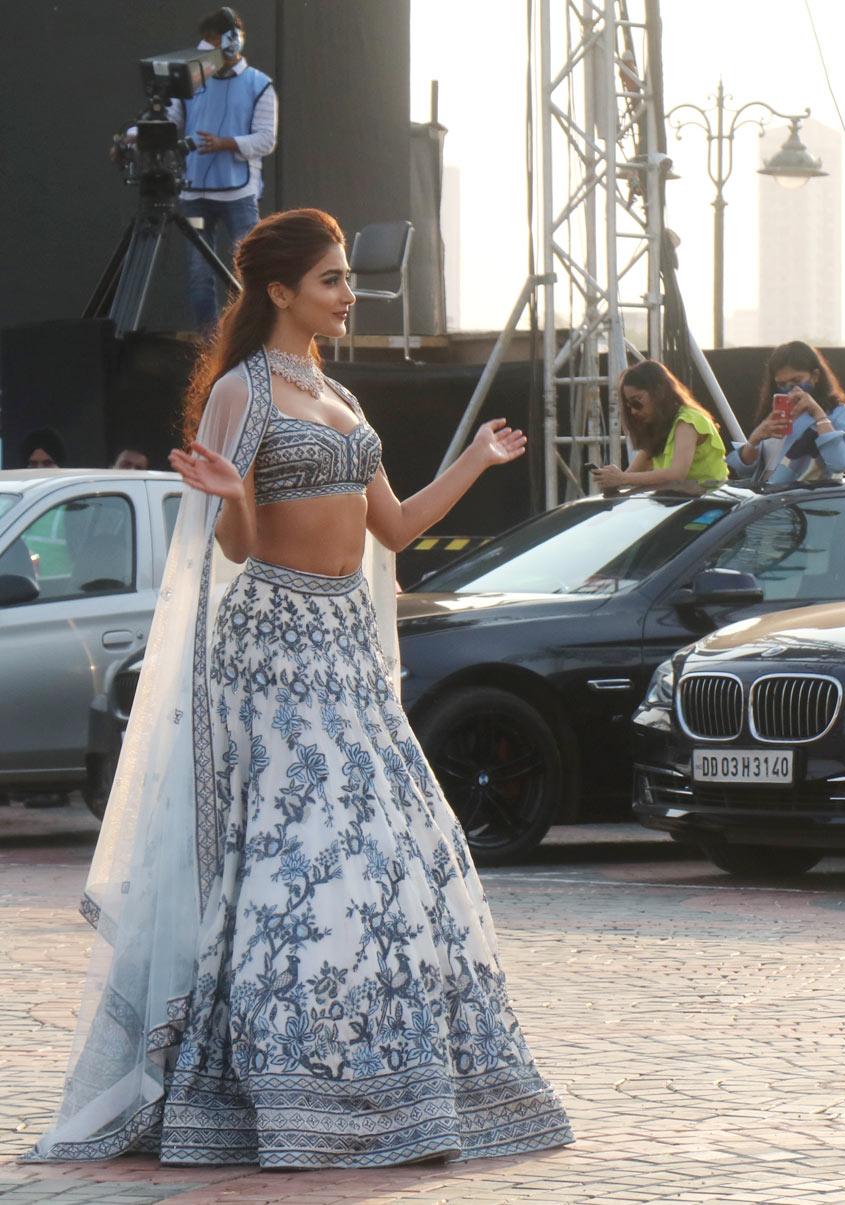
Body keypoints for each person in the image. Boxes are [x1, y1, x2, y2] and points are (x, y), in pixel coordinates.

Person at [32, 209, 573, 1167]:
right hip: (274, 648)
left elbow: (396, 530)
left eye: (344, 278)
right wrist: (228, 490)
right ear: (279, 292)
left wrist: (477, 463)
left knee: (400, 858)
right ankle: (283, 1089)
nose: (346, 293)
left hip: (348, 653)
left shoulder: (344, 400)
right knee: (298, 863)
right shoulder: (241, 391)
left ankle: (390, 1081)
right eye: (329, 279)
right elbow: (236, 543)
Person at [119, 8, 277, 330]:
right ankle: (209, 345)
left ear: (231, 44)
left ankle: (249, 337)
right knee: (199, 274)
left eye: (213, 44)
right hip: (195, 195)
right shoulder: (191, 83)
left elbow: (266, 140)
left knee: (247, 270)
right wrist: (134, 136)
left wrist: (226, 143)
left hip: (238, 197)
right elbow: (171, 122)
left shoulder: (260, 85)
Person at [726, 341, 845, 485]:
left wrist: (818, 415)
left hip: (806, 503)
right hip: (768, 501)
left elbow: (840, 463)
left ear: (815, 376)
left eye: (796, 380)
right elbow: (745, 471)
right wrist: (754, 440)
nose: (789, 389)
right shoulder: (775, 414)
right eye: (781, 384)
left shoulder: (837, 413)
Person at [592, 359, 729, 489]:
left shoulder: (688, 422)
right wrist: (612, 481)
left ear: (659, 391)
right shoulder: (659, 428)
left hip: (711, 504)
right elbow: (630, 476)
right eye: (629, 406)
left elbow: (677, 474)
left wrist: (622, 479)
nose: (633, 411)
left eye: (636, 401)